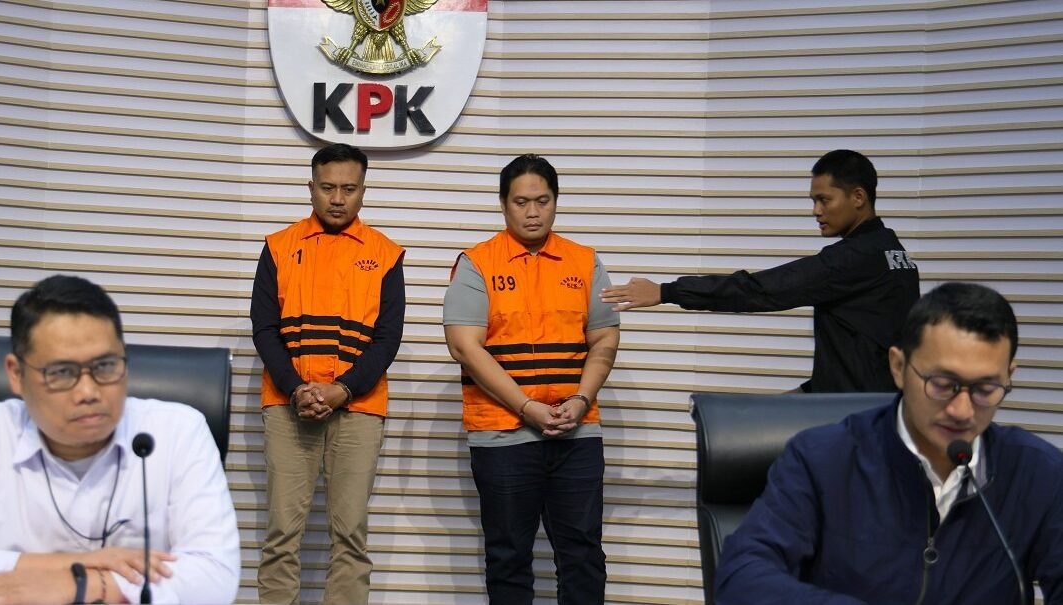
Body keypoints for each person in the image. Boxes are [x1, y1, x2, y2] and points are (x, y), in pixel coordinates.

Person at [0, 275, 240, 604]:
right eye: (62, 372)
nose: (88, 392)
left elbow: (214, 576)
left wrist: (84, 585)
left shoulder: (177, 431)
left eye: (105, 366)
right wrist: (73, 567)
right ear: (16, 374)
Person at [715, 282, 1063, 604]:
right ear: (898, 367)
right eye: (942, 384)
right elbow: (741, 576)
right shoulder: (822, 459)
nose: (962, 411)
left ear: (1008, 377)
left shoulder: (1038, 472)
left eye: (986, 389)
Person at [443, 154, 620, 605]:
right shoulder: (477, 263)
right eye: (521, 202)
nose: (533, 212)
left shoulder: (584, 261)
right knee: (509, 556)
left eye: (543, 201)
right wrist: (526, 407)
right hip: (502, 434)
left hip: (577, 432)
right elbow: (465, 346)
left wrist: (581, 400)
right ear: (504, 205)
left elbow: (604, 338)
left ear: (556, 201)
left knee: (583, 554)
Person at [600, 149, 919, 393]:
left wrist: (667, 291)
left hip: (859, 420)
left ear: (858, 197)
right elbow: (866, 346)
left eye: (824, 200)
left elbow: (762, 289)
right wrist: (808, 394)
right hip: (877, 409)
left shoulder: (854, 259)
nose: (816, 211)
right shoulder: (894, 253)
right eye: (813, 201)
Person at [250, 143, 405, 604]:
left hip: (358, 408)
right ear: (311, 188)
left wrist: (343, 390)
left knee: (350, 536)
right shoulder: (278, 247)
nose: (338, 199)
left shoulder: (385, 254)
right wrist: (296, 388)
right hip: (288, 406)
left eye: (349, 189)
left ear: (363, 191)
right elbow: (264, 328)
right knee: (282, 534)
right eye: (328, 187)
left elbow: (387, 338)